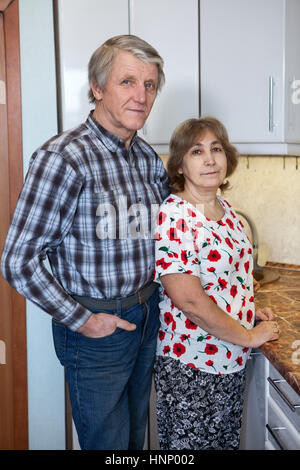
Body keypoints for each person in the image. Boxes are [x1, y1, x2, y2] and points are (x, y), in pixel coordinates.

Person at [1, 35, 169, 450]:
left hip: (148, 318)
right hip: (98, 331)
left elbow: (170, 241)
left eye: (150, 85)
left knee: (135, 439)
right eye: (127, 81)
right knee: (107, 444)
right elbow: (18, 261)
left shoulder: (148, 159)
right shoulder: (64, 157)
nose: (141, 95)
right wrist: (83, 320)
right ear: (97, 87)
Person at [153, 117, 280, 450]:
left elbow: (229, 280)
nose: (210, 159)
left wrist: (247, 312)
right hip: (191, 366)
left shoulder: (224, 209)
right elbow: (190, 300)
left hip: (228, 358)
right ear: (180, 165)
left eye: (216, 148)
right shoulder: (176, 215)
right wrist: (249, 336)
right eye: (197, 151)